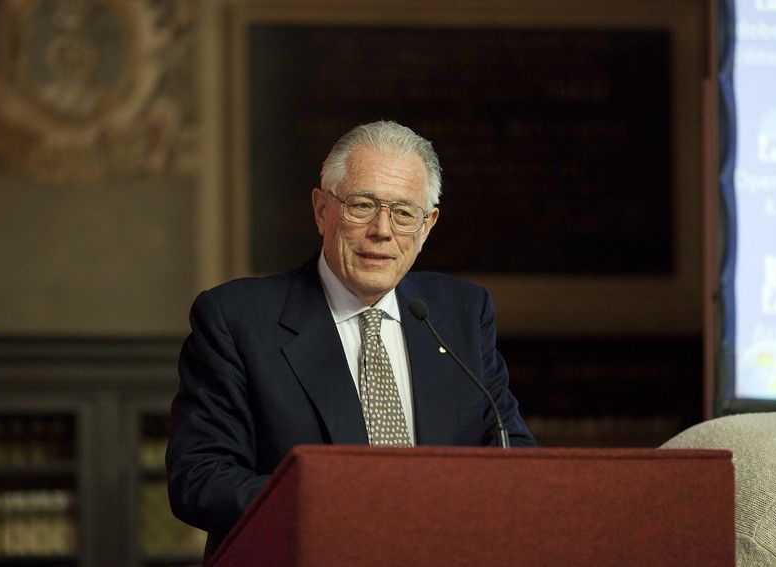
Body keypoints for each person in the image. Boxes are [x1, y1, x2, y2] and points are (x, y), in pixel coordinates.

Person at [166, 120, 536, 561]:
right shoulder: (237, 319)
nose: (383, 230)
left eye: (403, 213)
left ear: (427, 226)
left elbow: (514, 458)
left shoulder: (461, 313)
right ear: (322, 210)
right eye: (362, 205)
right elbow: (199, 478)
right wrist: (346, 508)